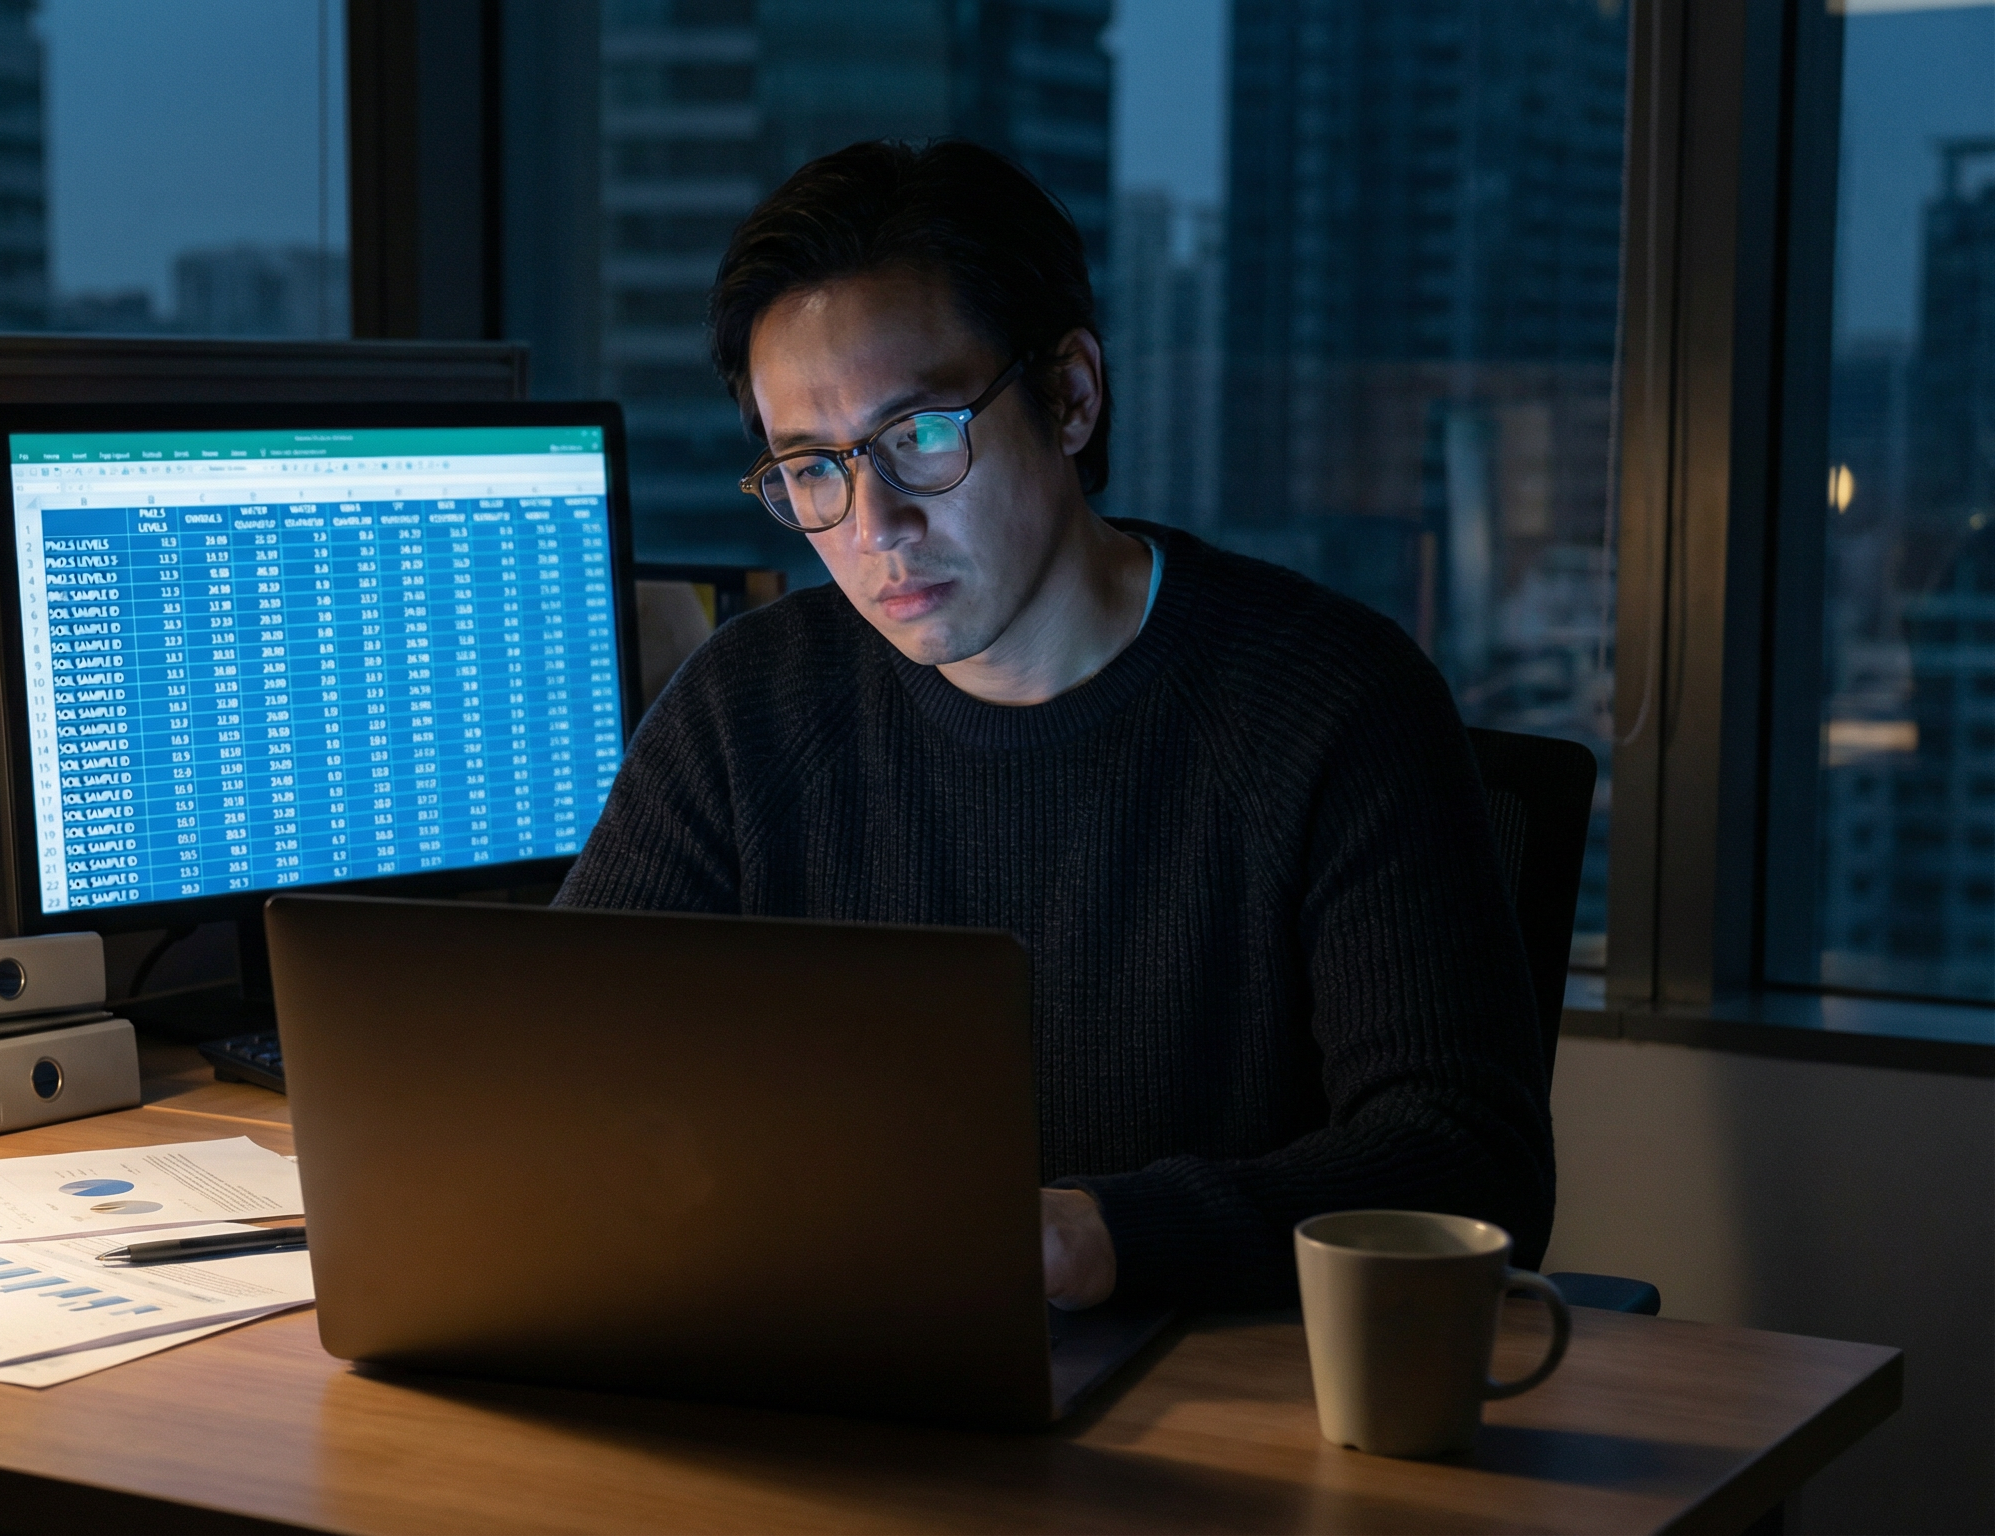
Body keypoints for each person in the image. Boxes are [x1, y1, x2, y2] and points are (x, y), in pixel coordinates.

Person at [556, 139, 1554, 1312]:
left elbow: (1467, 1164)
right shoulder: (747, 705)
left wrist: (1103, 1237)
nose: (873, 525)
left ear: (1070, 396)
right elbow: (561, 1063)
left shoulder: (1333, 703)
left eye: (921, 436)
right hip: (838, 1360)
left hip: (1219, 1416)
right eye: (811, 469)